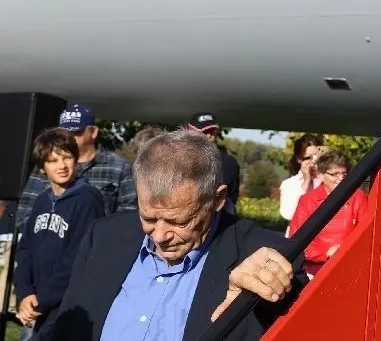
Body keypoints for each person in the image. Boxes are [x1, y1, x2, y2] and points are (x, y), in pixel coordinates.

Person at [49, 129, 306, 341]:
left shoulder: (262, 253)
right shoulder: (104, 235)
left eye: (178, 221)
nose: (159, 236)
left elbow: (307, 322)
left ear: (217, 199)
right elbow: (67, 328)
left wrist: (266, 293)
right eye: (148, 217)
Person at [13, 128, 105, 338]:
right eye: (53, 160)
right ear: (42, 168)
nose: (62, 166)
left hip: (68, 305)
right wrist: (25, 293)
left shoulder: (87, 200)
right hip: (36, 302)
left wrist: (41, 300)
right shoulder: (41, 201)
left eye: (66, 158)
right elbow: (25, 250)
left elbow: (78, 258)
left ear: (76, 159)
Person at [16, 104, 136, 234]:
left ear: (93, 132)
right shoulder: (47, 165)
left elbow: (128, 216)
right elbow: (25, 213)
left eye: (76, 132)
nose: (68, 136)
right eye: (64, 132)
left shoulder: (119, 167)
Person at [286, 149, 368, 277]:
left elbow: (367, 233)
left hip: (351, 267)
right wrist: (326, 253)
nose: (340, 178)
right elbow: (297, 239)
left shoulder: (358, 197)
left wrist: (346, 251)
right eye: (334, 174)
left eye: (344, 174)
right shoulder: (307, 201)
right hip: (315, 272)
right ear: (321, 175)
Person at [187, 112, 241, 214]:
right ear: (190, 133)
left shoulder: (228, 163)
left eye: (212, 131)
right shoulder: (177, 159)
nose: (209, 135)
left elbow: (232, 196)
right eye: (204, 131)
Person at [279, 134, 324, 227]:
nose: (313, 161)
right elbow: (289, 214)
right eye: (308, 158)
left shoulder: (328, 180)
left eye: (316, 157)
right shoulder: (289, 184)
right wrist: (306, 181)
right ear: (299, 159)